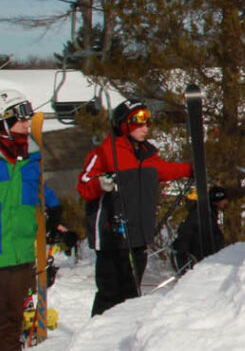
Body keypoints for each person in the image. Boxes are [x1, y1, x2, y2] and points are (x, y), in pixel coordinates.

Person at [78, 100, 193, 316]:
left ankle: (123, 335)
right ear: (123, 124)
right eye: (138, 123)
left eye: (147, 123)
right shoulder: (104, 153)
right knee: (110, 292)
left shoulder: (147, 155)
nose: (145, 128)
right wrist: (100, 183)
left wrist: (192, 169)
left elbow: (166, 170)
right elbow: (84, 185)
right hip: (111, 237)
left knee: (131, 292)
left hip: (137, 236)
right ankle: (97, 338)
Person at [0, 89, 41, 351]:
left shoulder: (30, 156)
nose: (27, 125)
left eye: (28, 119)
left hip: (21, 254)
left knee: (11, 322)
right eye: (20, 120)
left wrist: (57, 216)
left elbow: (37, 192)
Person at [170, 185, 229, 275]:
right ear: (217, 199)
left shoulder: (209, 212)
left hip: (204, 259)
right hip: (196, 260)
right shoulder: (202, 212)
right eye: (225, 199)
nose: (226, 202)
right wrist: (184, 252)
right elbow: (187, 231)